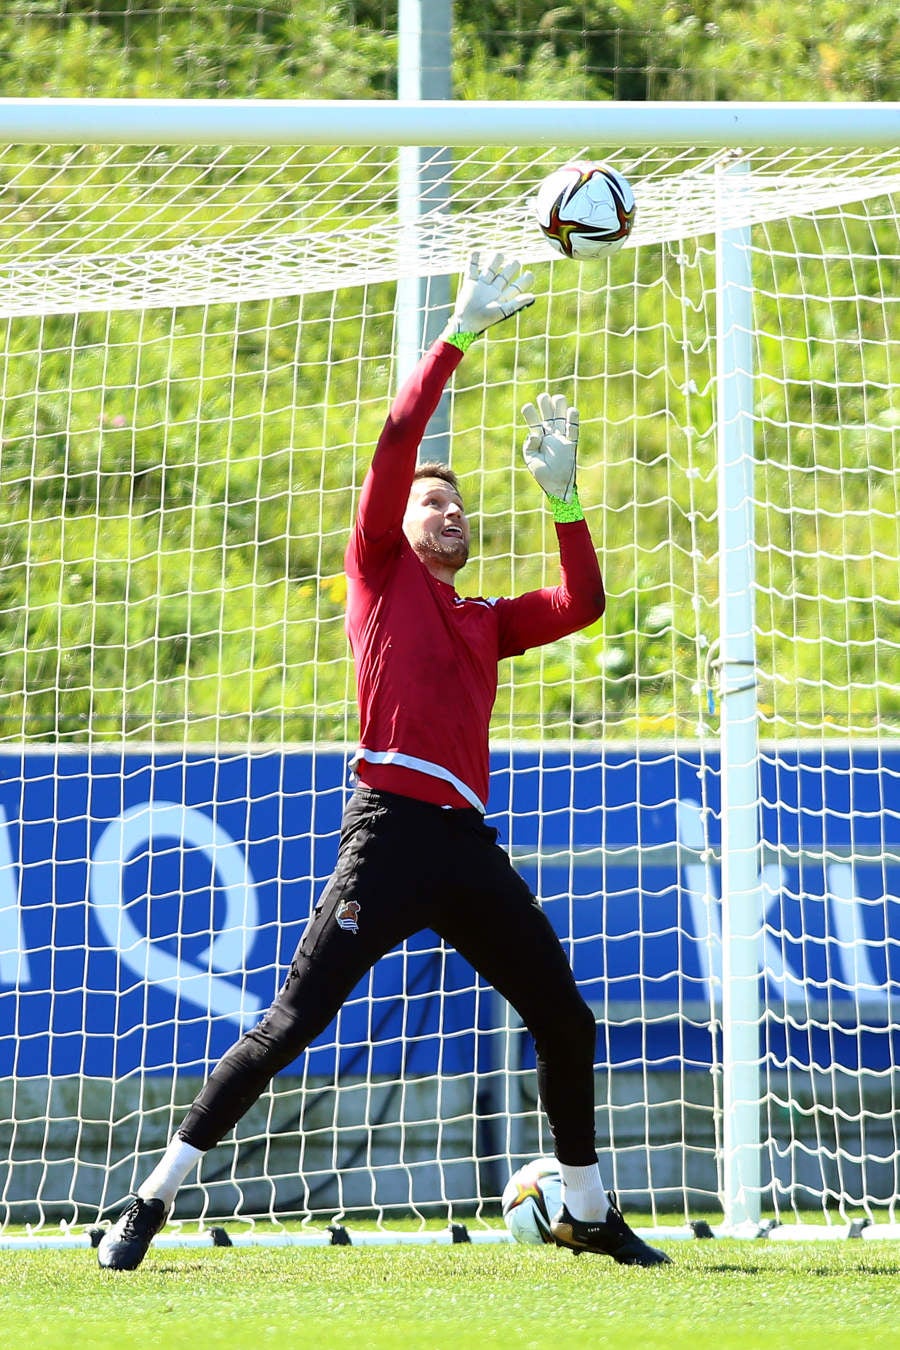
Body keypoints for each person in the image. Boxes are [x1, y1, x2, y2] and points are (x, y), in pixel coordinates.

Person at [98, 251, 670, 1271]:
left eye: (455, 505)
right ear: (397, 530)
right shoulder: (379, 575)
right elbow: (399, 439)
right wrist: (456, 334)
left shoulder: (484, 619)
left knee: (566, 1018)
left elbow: (581, 604)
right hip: (388, 834)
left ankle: (586, 1206)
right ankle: (149, 1200)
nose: (447, 512)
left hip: (462, 845)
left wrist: (568, 496)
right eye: (429, 505)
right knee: (288, 1026)